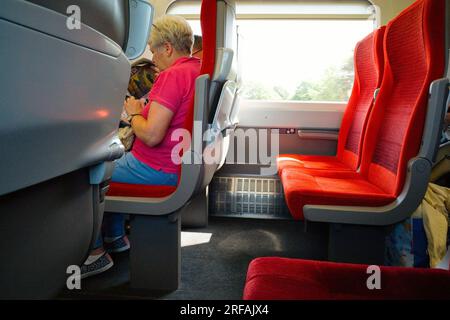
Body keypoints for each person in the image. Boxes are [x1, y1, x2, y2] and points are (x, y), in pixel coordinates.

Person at [81, 15, 201, 278]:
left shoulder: (172, 75)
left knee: (87, 171)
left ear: (167, 48)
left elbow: (151, 136)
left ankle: (95, 253)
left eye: (153, 48)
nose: (152, 55)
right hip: (174, 163)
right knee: (115, 159)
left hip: (155, 167)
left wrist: (134, 113)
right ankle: (115, 237)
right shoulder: (197, 70)